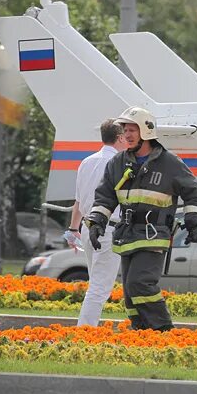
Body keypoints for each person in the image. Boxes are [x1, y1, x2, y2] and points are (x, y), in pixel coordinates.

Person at [84, 106, 197, 330]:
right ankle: (142, 334)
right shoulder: (118, 163)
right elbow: (105, 196)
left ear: (146, 131)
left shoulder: (170, 163)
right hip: (127, 235)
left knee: (141, 283)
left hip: (154, 234)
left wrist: (195, 223)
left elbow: (193, 192)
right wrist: (96, 223)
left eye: (133, 129)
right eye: (124, 130)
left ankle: (163, 331)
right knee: (130, 292)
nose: (127, 135)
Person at [66, 119, 127, 327]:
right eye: (126, 136)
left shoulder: (87, 162)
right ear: (119, 138)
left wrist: (72, 230)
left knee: (96, 284)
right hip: (108, 230)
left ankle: (88, 328)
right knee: (100, 287)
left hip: (86, 228)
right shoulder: (120, 163)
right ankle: (85, 332)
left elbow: (78, 201)